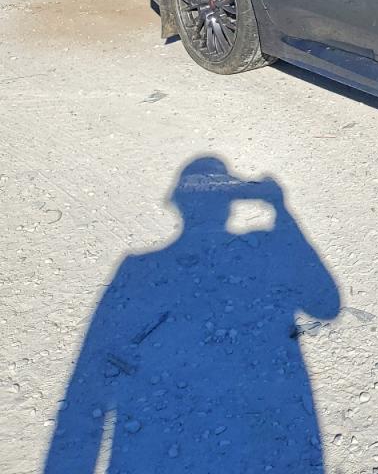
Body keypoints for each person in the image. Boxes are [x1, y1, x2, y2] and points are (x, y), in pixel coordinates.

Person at [44, 157, 339, 473]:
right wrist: (281, 211)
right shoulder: (262, 253)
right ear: (230, 205)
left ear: (180, 205)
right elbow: (326, 306)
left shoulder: (138, 269)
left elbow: (88, 380)